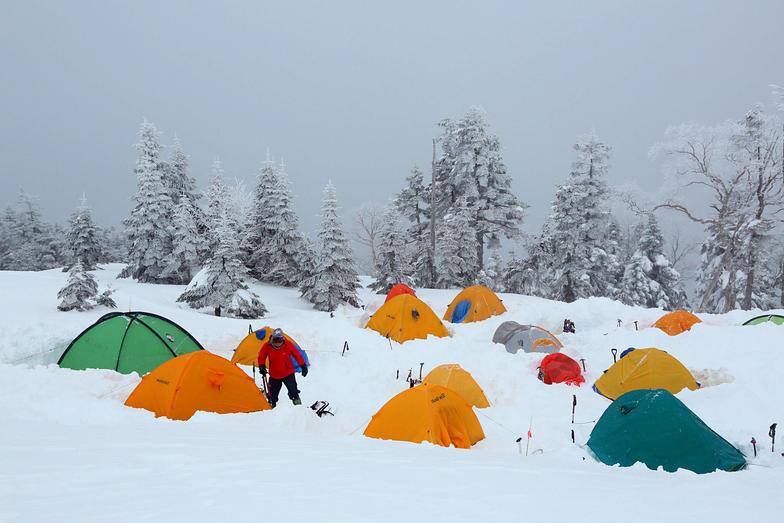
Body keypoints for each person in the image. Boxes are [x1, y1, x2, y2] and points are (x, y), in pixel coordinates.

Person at [257, 328, 308, 408]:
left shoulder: (288, 344)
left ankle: (298, 406)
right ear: (272, 339)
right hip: (274, 374)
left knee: (293, 390)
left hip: (288, 373)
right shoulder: (267, 346)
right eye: (275, 341)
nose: (277, 343)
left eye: (279, 341)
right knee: (273, 393)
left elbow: (297, 355)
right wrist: (261, 366)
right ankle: (272, 405)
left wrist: (303, 365)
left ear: (283, 339)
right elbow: (261, 356)